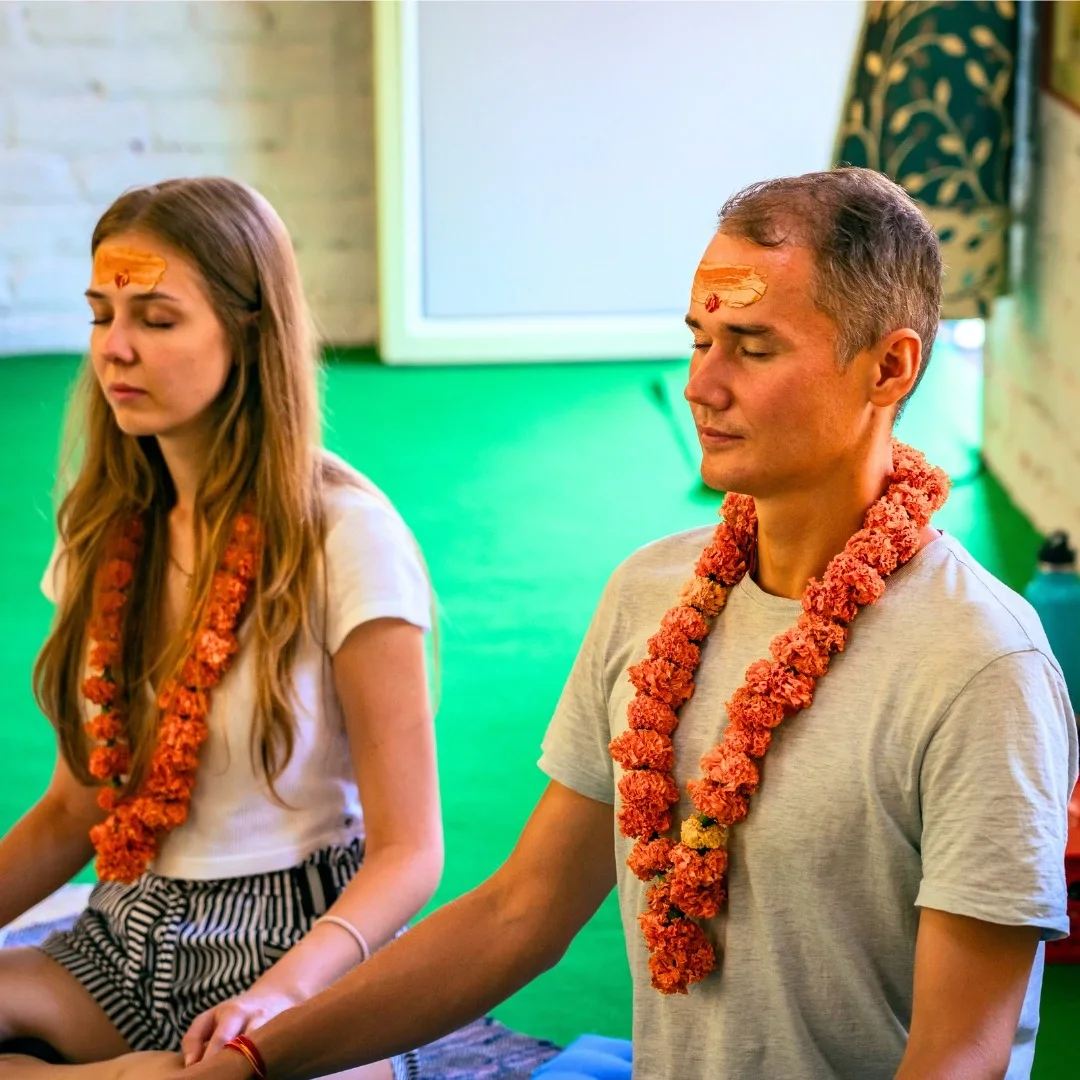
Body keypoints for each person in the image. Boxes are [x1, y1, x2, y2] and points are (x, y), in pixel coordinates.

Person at [148, 167, 1080, 1080]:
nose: (701, 385)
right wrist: (257, 1059)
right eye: (699, 340)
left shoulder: (980, 667)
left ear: (889, 367)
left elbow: (958, 1056)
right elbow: (521, 912)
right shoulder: (651, 591)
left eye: (753, 348)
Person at [0, 177, 442, 1080]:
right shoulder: (104, 530)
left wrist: (280, 997)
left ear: (248, 332)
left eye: (157, 319)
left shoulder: (347, 535)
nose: (115, 349)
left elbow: (410, 854)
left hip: (296, 944)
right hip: (121, 935)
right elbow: (75, 809)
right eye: (101, 315)